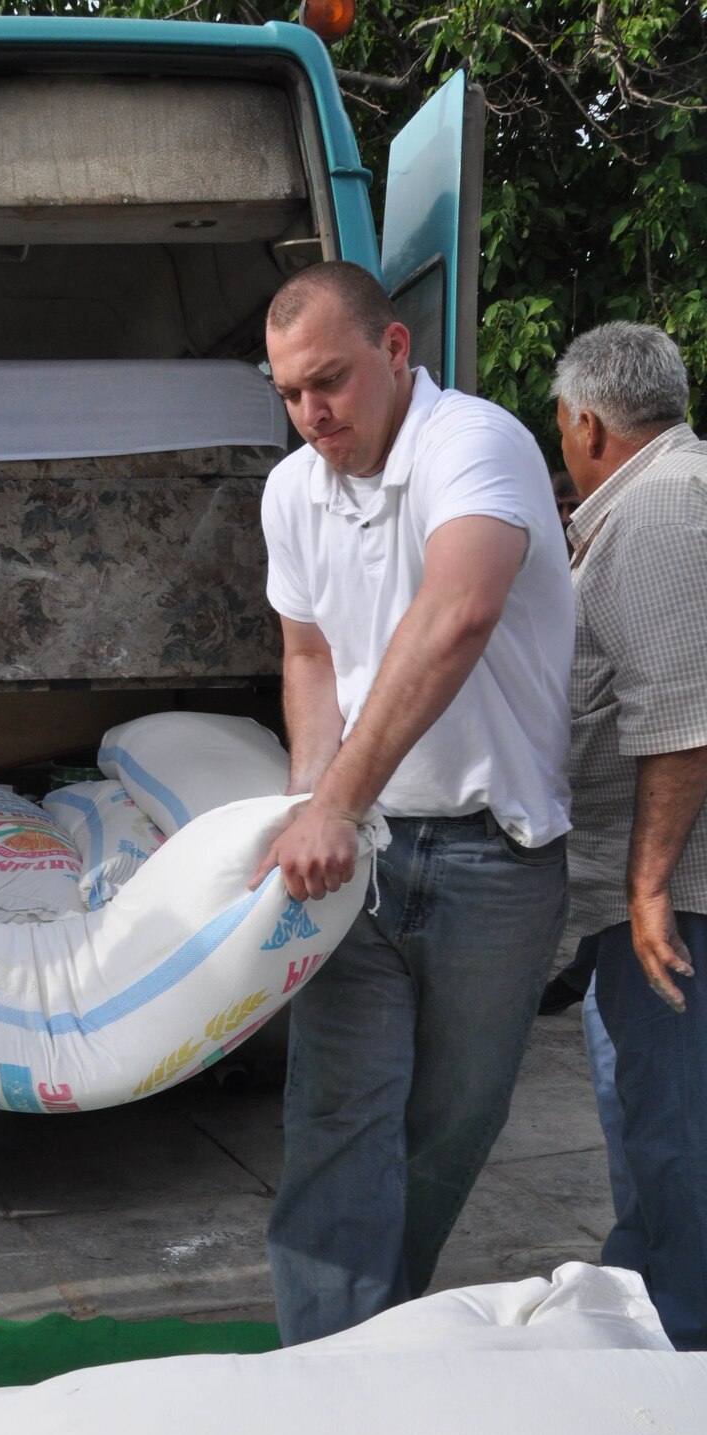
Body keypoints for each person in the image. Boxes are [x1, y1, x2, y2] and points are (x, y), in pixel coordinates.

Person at [256, 262, 574, 1343]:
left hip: (495, 860)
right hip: (366, 865)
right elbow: (305, 651)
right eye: (290, 392)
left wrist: (333, 803)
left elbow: (457, 612)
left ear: (395, 351)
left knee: (448, 1128)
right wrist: (311, 797)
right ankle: (329, 1377)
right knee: (336, 1126)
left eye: (330, 381)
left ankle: (378, 1347)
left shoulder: (474, 444)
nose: (312, 413)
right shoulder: (290, 490)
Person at [554, 320, 707, 1349]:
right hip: (657, 876)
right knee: (657, 1112)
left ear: (586, 423)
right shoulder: (667, 492)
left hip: (671, 887)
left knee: (666, 1118)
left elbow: (678, 714)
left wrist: (645, 884)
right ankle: (650, 1282)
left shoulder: (653, 509)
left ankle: (677, 1330)